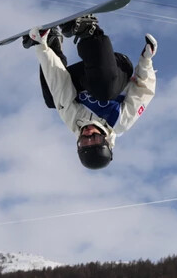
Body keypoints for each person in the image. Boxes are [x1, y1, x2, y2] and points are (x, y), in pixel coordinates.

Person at [24, 16, 157, 169]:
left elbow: (60, 86)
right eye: (94, 139)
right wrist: (146, 61)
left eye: (83, 142)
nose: (87, 134)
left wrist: (42, 47)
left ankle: (52, 41)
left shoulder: (74, 122)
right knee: (104, 93)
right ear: (106, 141)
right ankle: (89, 31)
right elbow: (144, 91)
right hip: (115, 66)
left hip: (86, 76)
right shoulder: (119, 121)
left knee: (52, 99)